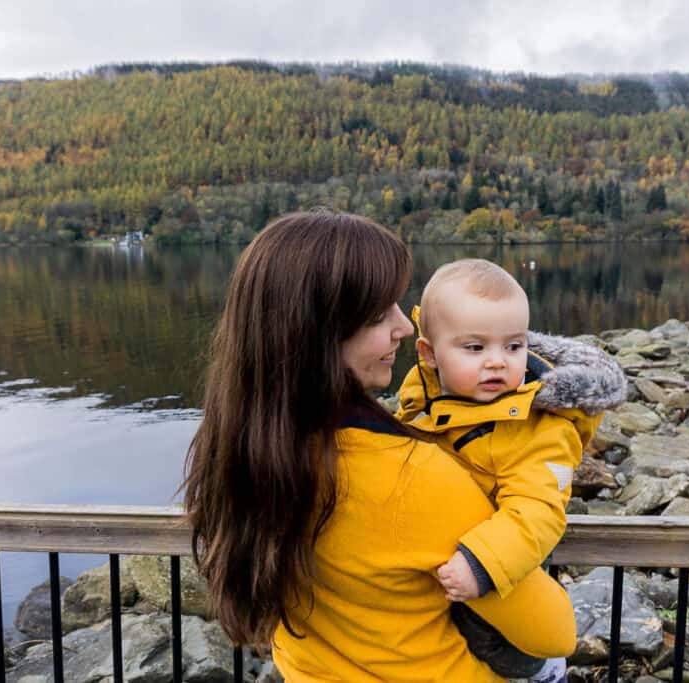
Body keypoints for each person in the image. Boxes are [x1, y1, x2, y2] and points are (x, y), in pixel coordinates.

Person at [184, 210, 609, 681]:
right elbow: (553, 634)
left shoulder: (243, 452)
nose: (404, 328)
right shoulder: (412, 475)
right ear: (320, 333)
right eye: (378, 314)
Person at [395, 258, 626, 679]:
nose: (498, 361)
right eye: (475, 348)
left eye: (514, 346)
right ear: (429, 354)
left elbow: (537, 509)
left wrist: (481, 564)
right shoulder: (422, 398)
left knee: (504, 653)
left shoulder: (538, 429)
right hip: (438, 564)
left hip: (497, 572)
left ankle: (541, 673)